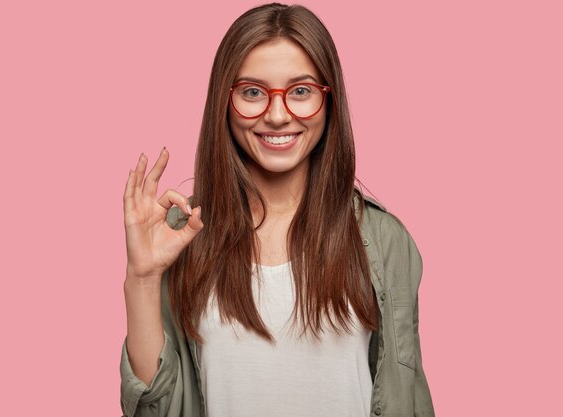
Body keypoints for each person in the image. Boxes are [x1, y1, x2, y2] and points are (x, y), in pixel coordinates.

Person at [120, 3, 435, 417]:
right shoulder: (181, 234)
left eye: (301, 91)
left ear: (329, 100)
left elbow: (406, 399)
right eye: (252, 92)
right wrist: (142, 278)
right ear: (224, 101)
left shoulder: (383, 239)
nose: (277, 114)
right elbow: (153, 411)